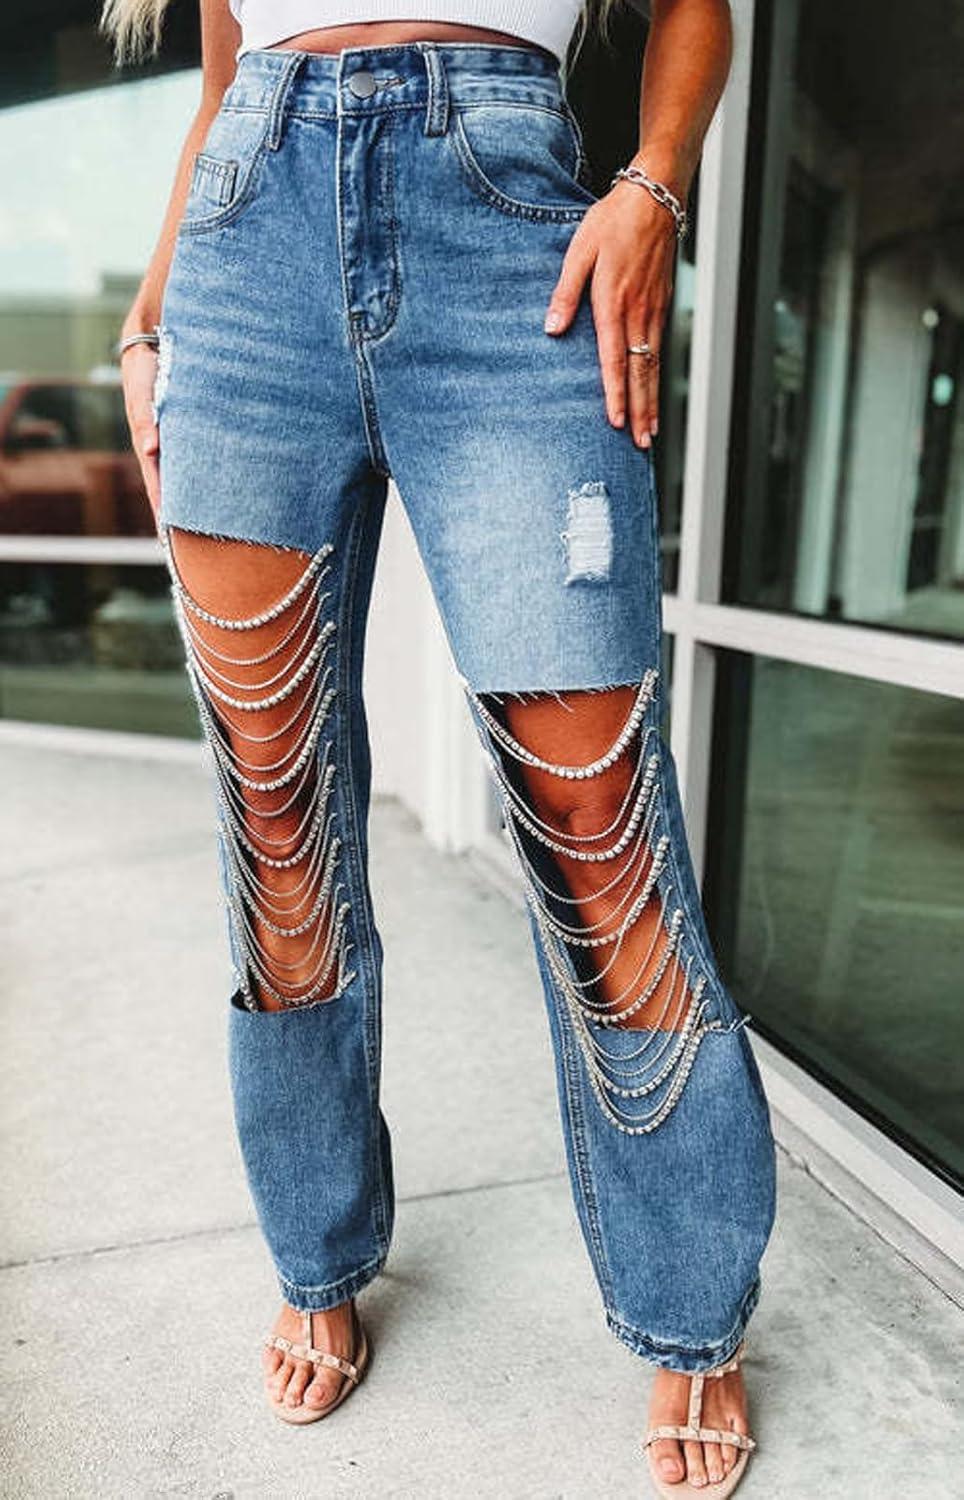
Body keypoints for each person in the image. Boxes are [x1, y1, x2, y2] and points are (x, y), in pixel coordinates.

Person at [104, 0, 776, 1491]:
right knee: (275, 824)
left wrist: (655, 184)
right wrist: (152, 318)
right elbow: (221, 83)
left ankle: (689, 1306)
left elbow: (695, 9)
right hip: (246, 263)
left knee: (599, 832)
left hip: (514, 246)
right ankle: (317, 1252)